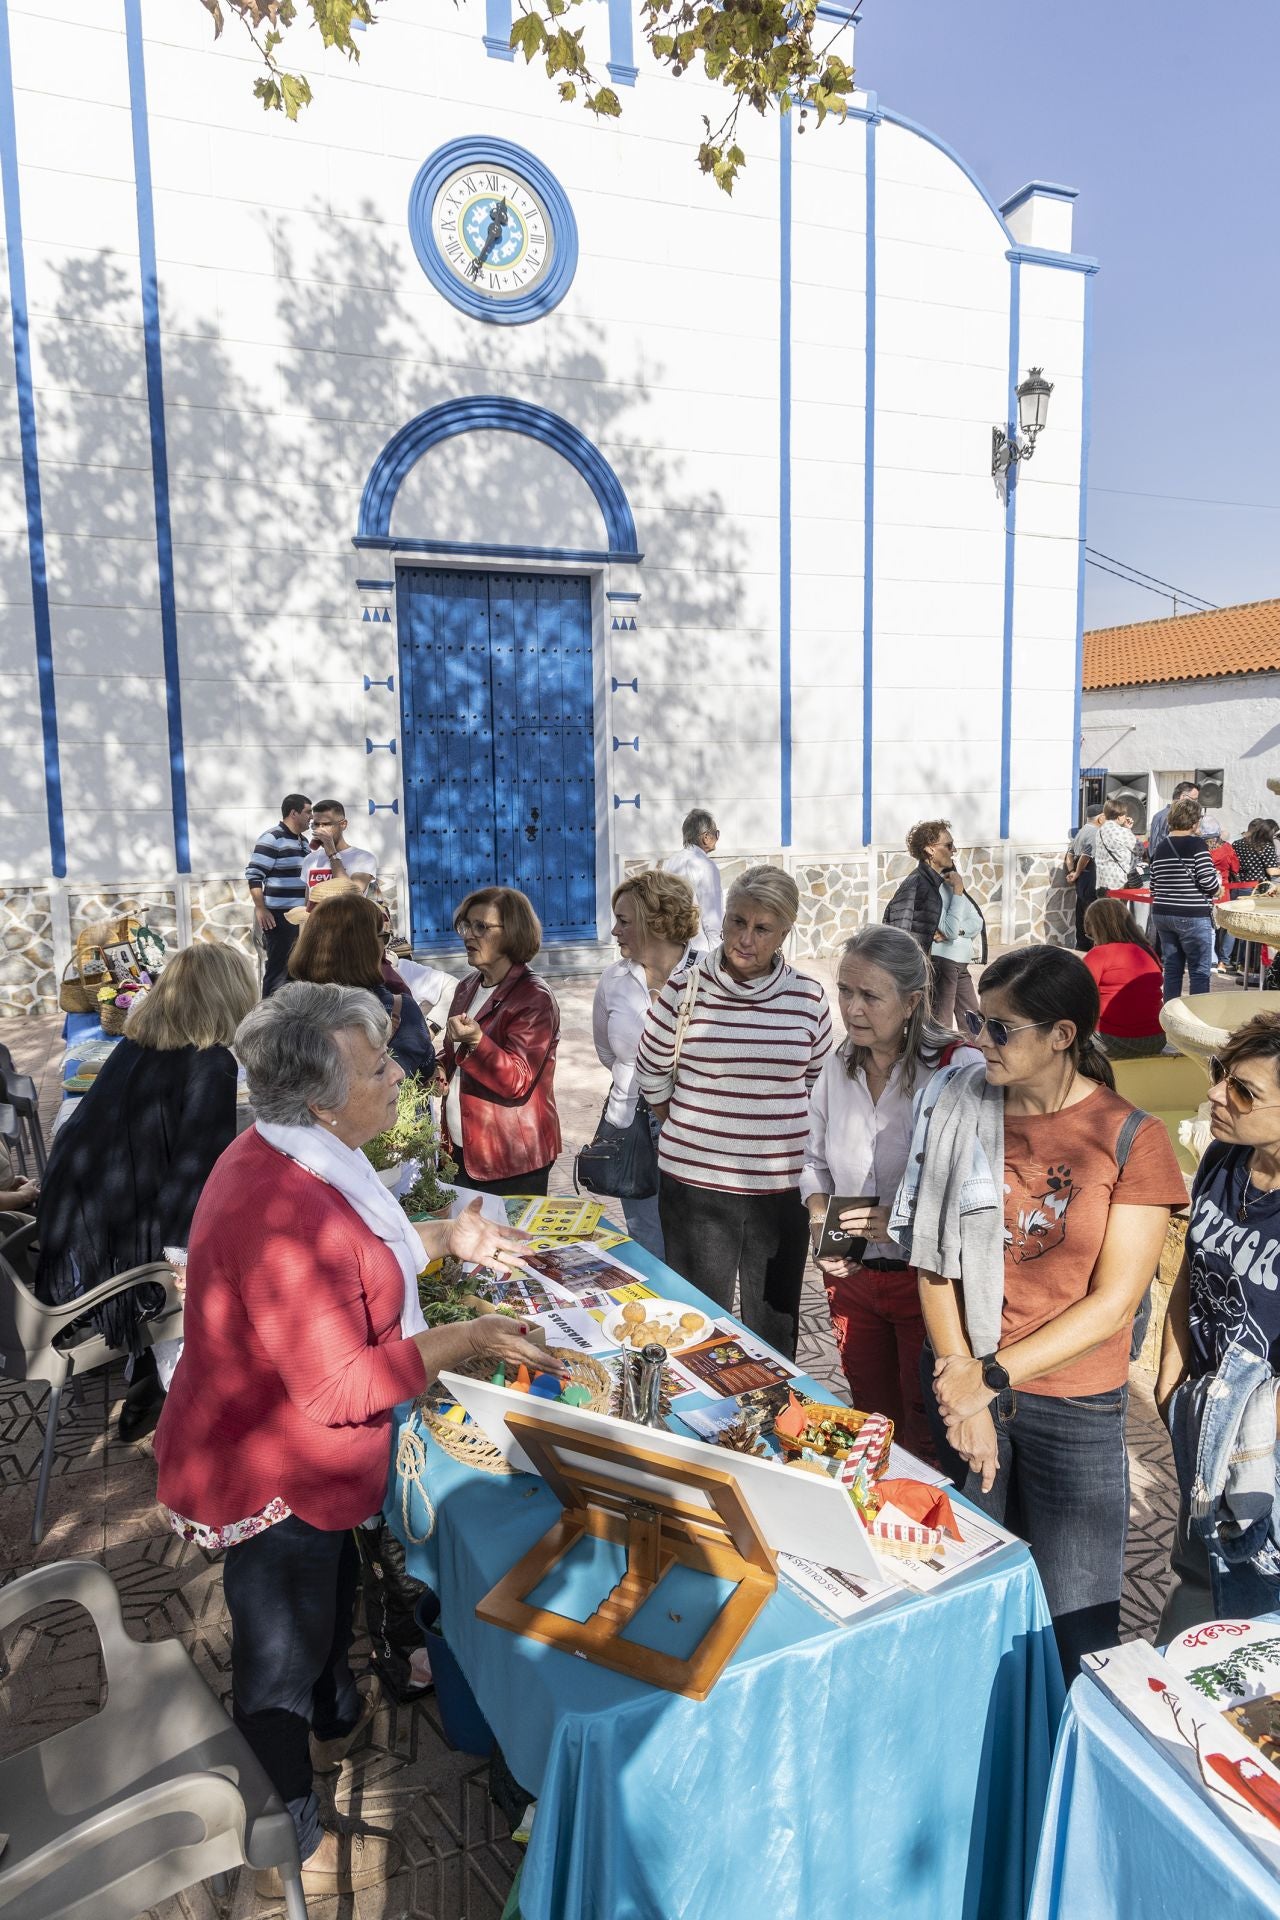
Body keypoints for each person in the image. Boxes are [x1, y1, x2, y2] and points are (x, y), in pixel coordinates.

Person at [153, 983, 552, 1900]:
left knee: (319, 1612)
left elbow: (361, 1258)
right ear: (325, 1098)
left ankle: (337, 1708)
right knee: (278, 1658)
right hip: (271, 1470)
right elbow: (340, 1386)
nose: (399, 1075)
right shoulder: (281, 1204)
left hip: (295, 1455)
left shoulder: (304, 1158)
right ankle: (277, 1827)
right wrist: (469, 1339)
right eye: (379, 1068)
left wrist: (449, 1238)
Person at [893, 944, 1185, 1676]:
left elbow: (1116, 1303)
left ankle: (1062, 1770)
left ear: (1062, 1036)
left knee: (1075, 1626)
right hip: (962, 1377)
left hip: (1073, 1406)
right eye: (974, 1019)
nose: (976, 1040)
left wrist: (988, 1378)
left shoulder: (1132, 1138)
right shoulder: (959, 1104)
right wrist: (962, 1382)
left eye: (1000, 1028)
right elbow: (934, 1261)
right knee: (971, 1596)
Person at [34, 941, 258, 1441]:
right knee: (228, 1272)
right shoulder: (210, 1062)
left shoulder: (141, 1042)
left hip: (76, 1232)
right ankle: (179, 1394)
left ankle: (147, 1374)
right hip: (108, 1257)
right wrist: (181, 1261)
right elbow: (195, 1174)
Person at [636, 865, 831, 1356]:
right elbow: (651, 1073)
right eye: (737, 922)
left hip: (780, 1190)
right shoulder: (685, 990)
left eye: (762, 928)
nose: (745, 939)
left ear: (785, 931)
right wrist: (695, 1130)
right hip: (695, 1188)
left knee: (774, 1325)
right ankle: (698, 1429)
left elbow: (817, 1085)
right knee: (695, 1323)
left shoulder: (807, 998)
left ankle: (769, 1420)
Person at [801, 926, 981, 1458]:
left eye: (870, 995)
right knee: (873, 1422)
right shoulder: (838, 1066)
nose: (852, 1009)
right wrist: (821, 1219)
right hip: (853, 1276)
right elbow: (813, 1160)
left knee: (929, 1426)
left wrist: (905, 1218)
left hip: (928, 1283)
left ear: (912, 1003)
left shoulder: (957, 1070)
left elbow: (981, 1187)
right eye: (845, 991)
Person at [1156, 1014, 1280, 1633]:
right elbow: (1191, 1270)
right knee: (1198, 1566)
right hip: (1206, 1411)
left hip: (1261, 1447)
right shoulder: (1224, 1161)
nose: (1215, 1096)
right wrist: (1170, 1373)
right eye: (1220, 1076)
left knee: (1255, 1600)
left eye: (1244, 1092)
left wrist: (1251, 1442)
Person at [592, 870, 700, 1258]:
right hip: (631, 1125)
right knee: (647, 1240)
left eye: (624, 921)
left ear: (656, 923)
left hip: (693, 1128)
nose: (613, 931)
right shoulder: (613, 979)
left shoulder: (708, 976)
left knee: (695, 1244)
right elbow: (607, 1052)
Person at [441, 887, 561, 1194]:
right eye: (466, 926)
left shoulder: (534, 997)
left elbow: (517, 1080)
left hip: (511, 1159)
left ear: (513, 933)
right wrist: (438, 1068)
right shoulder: (468, 986)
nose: (469, 935)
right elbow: (455, 1057)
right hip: (463, 1150)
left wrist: (477, 1042)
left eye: (481, 927)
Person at [289, 892, 435, 1081]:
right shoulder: (398, 1008)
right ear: (367, 947)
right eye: (383, 937)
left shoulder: (288, 1011)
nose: (385, 946)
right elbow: (425, 1072)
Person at [883, 820, 988, 1025]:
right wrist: (957, 894)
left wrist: (957, 929)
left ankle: (975, 1057)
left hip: (960, 963)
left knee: (974, 1024)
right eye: (949, 845)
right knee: (941, 1024)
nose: (954, 850)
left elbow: (977, 921)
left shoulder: (948, 879)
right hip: (941, 964)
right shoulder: (920, 885)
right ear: (930, 849)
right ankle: (942, 1058)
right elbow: (900, 928)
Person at [1150, 795, 1220, 1000]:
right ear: (1194, 821)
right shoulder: (1197, 845)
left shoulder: (1161, 846)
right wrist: (1217, 890)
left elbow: (1154, 885)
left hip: (1162, 913)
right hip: (1191, 914)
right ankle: (1198, 1018)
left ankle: (1170, 1015)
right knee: (1199, 971)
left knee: (1172, 969)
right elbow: (1208, 882)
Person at [246, 792, 312, 995]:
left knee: (296, 971)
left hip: (300, 918)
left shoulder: (304, 841)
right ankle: (269, 1018)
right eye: (308, 812)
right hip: (279, 918)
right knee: (278, 971)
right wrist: (261, 908)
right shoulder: (272, 838)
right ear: (294, 813)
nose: (312, 816)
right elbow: (254, 875)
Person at [1082, 898, 1166, 1058]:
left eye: (1091, 935)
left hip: (1113, 1039)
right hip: (1157, 1038)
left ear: (1098, 928)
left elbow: (1077, 995)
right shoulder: (1149, 951)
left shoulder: (1099, 954)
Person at [662, 809, 724, 950]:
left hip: (674, 943)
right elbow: (712, 915)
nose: (717, 837)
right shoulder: (706, 866)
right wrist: (718, 955)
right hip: (699, 948)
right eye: (716, 833)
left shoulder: (671, 861)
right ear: (706, 837)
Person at [303, 798, 377, 896]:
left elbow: (352, 896)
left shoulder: (364, 858)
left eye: (326, 824)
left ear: (343, 825)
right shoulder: (310, 859)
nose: (320, 830)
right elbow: (309, 901)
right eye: (316, 824)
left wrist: (332, 854)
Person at [1203, 819, 1242, 974]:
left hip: (1204, 890)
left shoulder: (1200, 848)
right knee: (1225, 927)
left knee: (1208, 926)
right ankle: (1222, 962)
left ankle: (1208, 958)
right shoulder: (1227, 848)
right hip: (1223, 891)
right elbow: (1236, 867)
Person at [1065, 809, 1104, 950]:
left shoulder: (1081, 832)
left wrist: (1072, 871)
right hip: (1090, 879)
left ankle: (1081, 948)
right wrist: (1077, 872)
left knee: (1082, 916)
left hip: (1081, 882)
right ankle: (1093, 950)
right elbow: (1086, 857)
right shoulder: (1095, 833)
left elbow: (1069, 855)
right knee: (1093, 917)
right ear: (1100, 818)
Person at [1092, 799, 1138, 897]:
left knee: (1104, 910)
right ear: (1119, 817)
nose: (1126, 817)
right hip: (1118, 881)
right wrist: (1128, 830)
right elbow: (1139, 850)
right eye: (1124, 814)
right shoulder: (1122, 832)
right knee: (1117, 910)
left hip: (1102, 879)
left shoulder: (1099, 831)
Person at [1147, 779, 1200, 855]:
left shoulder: (1158, 815)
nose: (1195, 803)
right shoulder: (1177, 816)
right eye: (1194, 799)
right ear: (1183, 797)